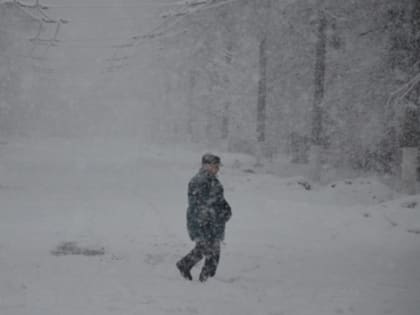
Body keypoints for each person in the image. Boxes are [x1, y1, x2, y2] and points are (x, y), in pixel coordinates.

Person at [176, 153, 232, 282]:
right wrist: (212, 216)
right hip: (203, 222)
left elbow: (218, 200)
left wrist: (226, 209)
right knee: (211, 250)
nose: (218, 168)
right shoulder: (200, 181)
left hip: (211, 222)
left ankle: (186, 266)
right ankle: (205, 279)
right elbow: (202, 204)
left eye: (218, 166)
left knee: (205, 249)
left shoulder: (212, 180)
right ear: (206, 166)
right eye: (215, 166)